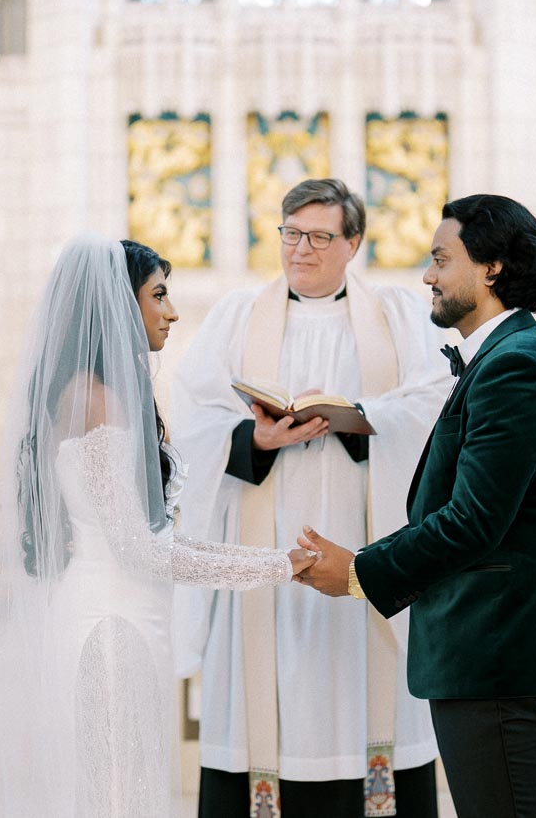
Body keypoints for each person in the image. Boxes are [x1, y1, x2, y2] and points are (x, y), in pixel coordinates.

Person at [0, 235, 319, 816]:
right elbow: (143, 550)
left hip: (116, 615)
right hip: (112, 629)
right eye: (158, 295)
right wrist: (276, 564)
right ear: (118, 305)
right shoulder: (100, 401)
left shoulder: (90, 394)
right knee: (115, 796)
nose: (172, 311)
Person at [295, 194, 536, 818]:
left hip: (494, 645)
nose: (427, 276)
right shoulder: (500, 360)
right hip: (483, 645)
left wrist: (358, 570)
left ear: (491, 269)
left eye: (440, 259)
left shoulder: (517, 369)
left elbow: (473, 521)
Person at [170, 179, 450, 818]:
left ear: (353, 242)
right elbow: (191, 417)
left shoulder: (398, 317)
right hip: (262, 555)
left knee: (368, 688)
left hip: (366, 541)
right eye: (290, 233)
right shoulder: (239, 315)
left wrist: (358, 418)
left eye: (320, 236)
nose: (301, 249)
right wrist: (255, 437)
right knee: (263, 701)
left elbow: (435, 405)